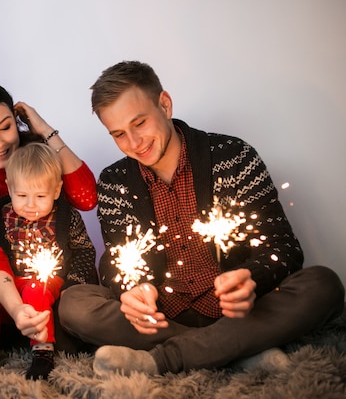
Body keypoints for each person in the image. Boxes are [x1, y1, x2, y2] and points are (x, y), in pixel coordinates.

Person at [58, 60, 345, 376]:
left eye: (139, 123)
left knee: (323, 284)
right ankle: (238, 349)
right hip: (164, 317)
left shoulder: (233, 156)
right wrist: (131, 289)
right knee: (74, 303)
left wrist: (252, 277)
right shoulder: (114, 182)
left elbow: (284, 249)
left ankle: (163, 360)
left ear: (164, 105)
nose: (134, 143)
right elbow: (114, 262)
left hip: (240, 314)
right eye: (119, 134)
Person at [0, 80, 98, 358]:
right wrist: (15, 308)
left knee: (69, 340)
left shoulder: (37, 155)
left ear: (17, 121)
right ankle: (19, 325)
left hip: (56, 277)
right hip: (7, 276)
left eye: (6, 127)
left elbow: (86, 198)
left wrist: (46, 131)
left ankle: (29, 332)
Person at [0, 143, 98, 384]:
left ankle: (42, 352)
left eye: (40, 196)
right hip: (12, 282)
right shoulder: (1, 216)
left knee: (36, 292)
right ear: (9, 188)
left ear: (56, 191)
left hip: (49, 280)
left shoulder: (66, 217)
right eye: (22, 195)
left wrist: (73, 284)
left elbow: (85, 250)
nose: (30, 205)